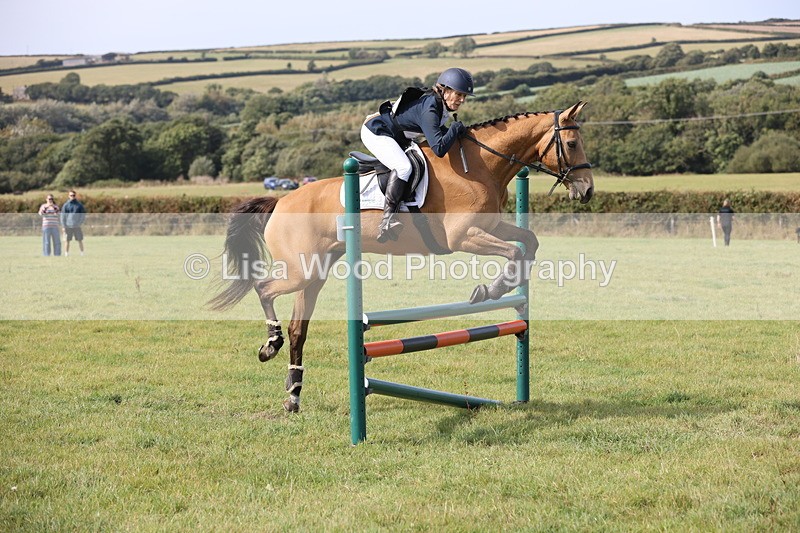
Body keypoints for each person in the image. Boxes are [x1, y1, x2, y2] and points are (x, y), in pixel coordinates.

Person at [361, 67, 473, 242]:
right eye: (459, 94)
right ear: (445, 90)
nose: (462, 100)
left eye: (464, 96)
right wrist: (453, 129)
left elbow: (438, 135)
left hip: (396, 135)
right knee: (403, 167)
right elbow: (439, 149)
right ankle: (387, 221)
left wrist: (455, 133)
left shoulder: (438, 105)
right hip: (376, 131)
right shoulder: (430, 108)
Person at [60, 189, 86, 256]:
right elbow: (63, 216)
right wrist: (63, 226)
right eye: (71, 195)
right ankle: (66, 253)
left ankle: (82, 253)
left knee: (79, 240)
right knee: (67, 240)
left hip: (77, 226)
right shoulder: (66, 205)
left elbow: (82, 215)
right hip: (68, 226)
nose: (72, 196)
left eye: (73, 195)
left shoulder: (79, 205)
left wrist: (79, 223)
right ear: (68, 196)